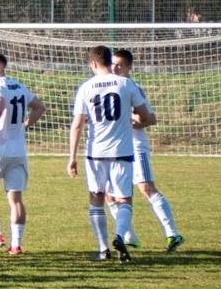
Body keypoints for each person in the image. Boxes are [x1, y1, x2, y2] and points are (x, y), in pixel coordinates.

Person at [68, 44, 153, 262]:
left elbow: (77, 125)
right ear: (108, 61)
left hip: (95, 152)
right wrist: (133, 121)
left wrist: (72, 158)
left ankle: (103, 248)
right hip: (122, 150)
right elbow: (145, 116)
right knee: (124, 199)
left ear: (93, 63)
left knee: (96, 198)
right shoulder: (127, 84)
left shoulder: (86, 87)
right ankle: (119, 237)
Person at [112, 48, 183, 252]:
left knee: (145, 188)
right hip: (115, 148)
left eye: (120, 65)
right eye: (113, 64)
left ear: (128, 68)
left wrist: (132, 119)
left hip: (135, 147)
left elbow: (150, 118)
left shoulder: (133, 87)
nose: (115, 68)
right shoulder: (109, 86)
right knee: (111, 194)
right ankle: (129, 237)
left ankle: (172, 234)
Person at [0, 50, 43, 254]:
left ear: (0, 67)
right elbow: (39, 107)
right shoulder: (20, 86)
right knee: (15, 198)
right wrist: (25, 124)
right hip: (18, 151)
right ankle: (16, 245)